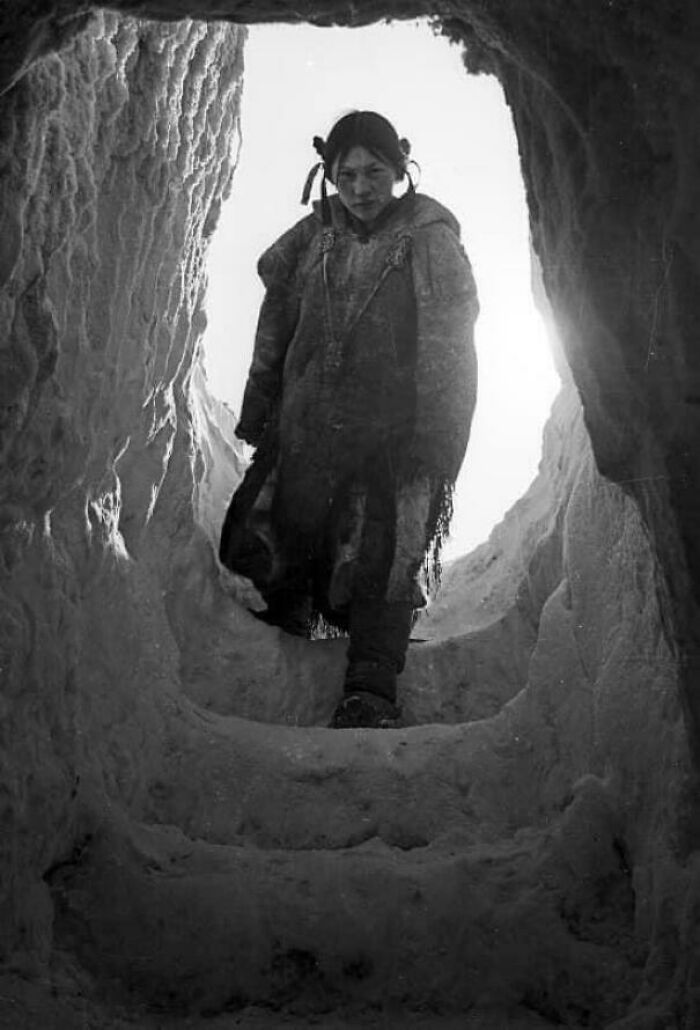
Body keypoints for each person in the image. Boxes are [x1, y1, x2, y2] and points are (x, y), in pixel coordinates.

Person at [220, 110, 478, 729]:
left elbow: (449, 341)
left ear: (400, 170)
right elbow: (276, 321)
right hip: (308, 424)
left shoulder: (428, 237)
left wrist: (438, 436)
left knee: (383, 553)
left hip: (393, 437)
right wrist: (261, 404)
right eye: (347, 175)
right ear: (329, 175)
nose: (361, 188)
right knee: (290, 529)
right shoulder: (313, 235)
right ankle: (285, 651)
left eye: (375, 172)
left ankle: (370, 687)